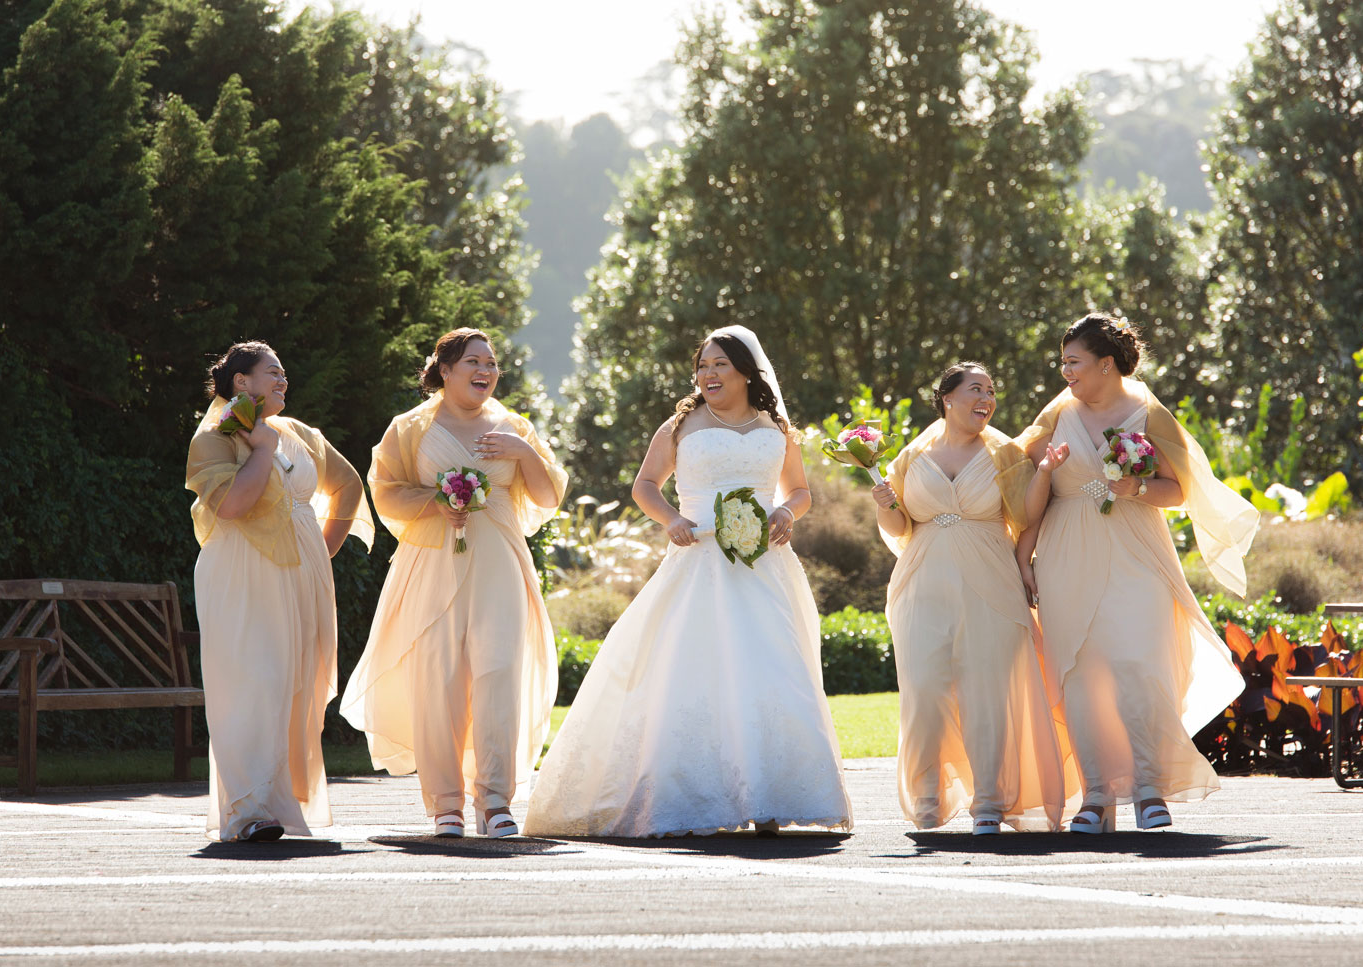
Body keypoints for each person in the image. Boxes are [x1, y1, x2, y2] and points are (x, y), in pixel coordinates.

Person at [524, 326, 852, 838]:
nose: (708, 373)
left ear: (746, 370)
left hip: (764, 566)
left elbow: (801, 490)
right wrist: (672, 520)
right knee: (694, 671)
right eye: (702, 365)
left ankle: (768, 796)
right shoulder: (681, 426)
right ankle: (689, 796)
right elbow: (645, 486)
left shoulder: (777, 426)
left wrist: (787, 510)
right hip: (698, 559)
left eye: (719, 364)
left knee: (771, 671)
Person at [1017, 313, 1258, 833]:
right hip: (1067, 555)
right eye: (1063, 363)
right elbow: (1022, 484)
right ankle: (1096, 797)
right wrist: (1023, 555)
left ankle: (1152, 790)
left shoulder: (1149, 413)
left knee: (1139, 669)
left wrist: (1138, 489)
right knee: (1080, 677)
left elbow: (1181, 488)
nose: (1066, 373)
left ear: (1106, 364)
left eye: (1074, 362)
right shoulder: (1057, 413)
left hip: (1136, 552)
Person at [340, 328, 566, 839]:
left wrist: (523, 452)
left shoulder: (515, 425)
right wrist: (436, 503)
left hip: (499, 563)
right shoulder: (409, 428)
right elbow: (387, 492)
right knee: (438, 679)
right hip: (433, 563)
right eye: (473, 361)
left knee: (498, 674)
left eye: (491, 362)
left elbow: (549, 494)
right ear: (445, 370)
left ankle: (495, 801)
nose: (485, 370)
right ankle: (445, 803)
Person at [874, 362, 1076, 834]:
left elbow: (1027, 515)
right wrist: (884, 506)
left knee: (989, 694)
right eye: (975, 390)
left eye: (990, 391)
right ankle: (929, 794)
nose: (986, 398)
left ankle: (990, 800)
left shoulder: (1004, 453)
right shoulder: (912, 454)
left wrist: (1044, 472)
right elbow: (900, 528)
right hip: (922, 584)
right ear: (947, 398)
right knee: (924, 692)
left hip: (990, 581)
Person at [186, 341, 375, 842]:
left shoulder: (300, 433)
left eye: (285, 374)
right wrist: (262, 448)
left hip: (300, 576)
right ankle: (247, 810)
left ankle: (277, 802)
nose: (283, 381)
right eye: (273, 373)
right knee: (253, 680)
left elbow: (350, 484)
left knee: (297, 683)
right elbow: (231, 506)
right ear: (241, 382)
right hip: (242, 572)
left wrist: (322, 550)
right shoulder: (217, 433)